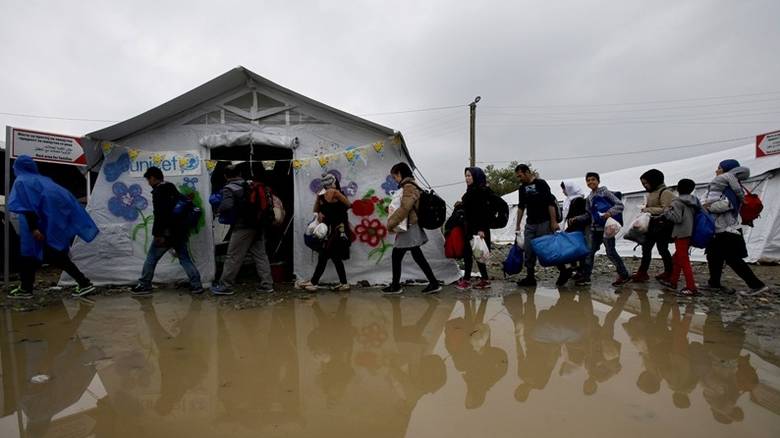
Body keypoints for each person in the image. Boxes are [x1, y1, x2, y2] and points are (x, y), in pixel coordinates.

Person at [6, 155, 99, 299]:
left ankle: (26, 289)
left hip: (35, 226)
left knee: (32, 255)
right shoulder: (45, 180)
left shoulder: (22, 181)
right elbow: (63, 199)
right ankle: (83, 283)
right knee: (52, 255)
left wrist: (33, 228)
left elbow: (27, 206)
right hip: (48, 224)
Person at [131, 166, 203, 295]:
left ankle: (145, 284)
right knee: (184, 258)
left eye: (149, 180)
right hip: (179, 232)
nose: (149, 183)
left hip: (166, 233)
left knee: (151, 258)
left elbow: (161, 215)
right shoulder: (172, 188)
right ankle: (196, 285)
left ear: (153, 178)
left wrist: (158, 234)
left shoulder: (159, 192)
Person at [702, 159, 768, 295]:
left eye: (719, 168)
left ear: (727, 170)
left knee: (733, 259)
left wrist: (706, 207)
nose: (716, 171)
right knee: (713, 256)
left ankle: (757, 285)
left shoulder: (731, 188)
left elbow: (727, 205)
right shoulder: (723, 186)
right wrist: (706, 205)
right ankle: (714, 283)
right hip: (719, 229)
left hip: (728, 229)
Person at [211, 165, 274, 295]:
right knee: (260, 255)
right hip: (258, 225)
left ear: (225, 176)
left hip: (242, 226)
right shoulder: (250, 185)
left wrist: (218, 210)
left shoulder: (229, 188)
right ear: (240, 173)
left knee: (233, 256)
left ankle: (226, 286)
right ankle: (267, 285)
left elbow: (227, 205)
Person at [384, 162, 441, 294]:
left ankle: (395, 286)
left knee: (397, 255)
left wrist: (391, 222)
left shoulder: (408, 186)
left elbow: (405, 208)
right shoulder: (411, 185)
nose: (395, 180)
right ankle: (433, 283)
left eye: (394, 177)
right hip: (411, 226)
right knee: (415, 255)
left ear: (400, 174)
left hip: (409, 227)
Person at [571, 172, 630, 286]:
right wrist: (576, 219)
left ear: (598, 181)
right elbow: (589, 215)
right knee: (589, 252)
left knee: (610, 252)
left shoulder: (605, 193)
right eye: (588, 180)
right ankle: (586, 277)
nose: (591, 182)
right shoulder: (589, 198)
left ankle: (624, 275)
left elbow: (619, 205)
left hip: (607, 228)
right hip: (595, 229)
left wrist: (609, 213)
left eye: (593, 179)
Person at [298, 173, 352, 292]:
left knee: (326, 255)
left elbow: (316, 210)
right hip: (334, 229)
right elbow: (348, 205)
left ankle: (314, 282)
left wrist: (323, 204)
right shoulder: (331, 193)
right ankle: (343, 283)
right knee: (332, 257)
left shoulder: (325, 194)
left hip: (334, 230)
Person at [514, 164, 565, 287]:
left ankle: (564, 270)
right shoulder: (522, 188)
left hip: (544, 222)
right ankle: (530, 277)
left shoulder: (541, 184)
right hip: (530, 224)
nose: (519, 179)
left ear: (527, 172)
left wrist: (553, 222)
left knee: (549, 249)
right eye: (518, 177)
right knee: (529, 250)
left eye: (520, 176)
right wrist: (517, 225)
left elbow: (550, 203)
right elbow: (521, 207)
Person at [632, 169, 675, 283]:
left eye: (646, 183)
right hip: (651, 226)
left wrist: (647, 209)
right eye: (643, 184)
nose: (645, 186)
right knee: (646, 249)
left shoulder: (665, 193)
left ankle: (669, 272)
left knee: (662, 249)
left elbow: (666, 209)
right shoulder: (651, 193)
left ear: (654, 181)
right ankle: (642, 272)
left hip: (662, 227)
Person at [661, 179, 700, 295]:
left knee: (683, 259)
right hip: (691, 231)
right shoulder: (694, 201)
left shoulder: (677, 202)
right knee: (678, 257)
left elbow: (677, 218)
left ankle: (691, 287)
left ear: (678, 188)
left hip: (681, 232)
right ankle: (673, 281)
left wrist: (666, 210)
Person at [456, 167, 493, 290]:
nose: (467, 178)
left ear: (476, 177)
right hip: (469, 227)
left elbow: (483, 211)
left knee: (478, 254)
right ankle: (472, 279)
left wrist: (481, 229)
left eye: (469, 176)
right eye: (466, 176)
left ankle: (476, 280)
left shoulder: (480, 191)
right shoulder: (471, 191)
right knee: (469, 254)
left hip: (478, 229)